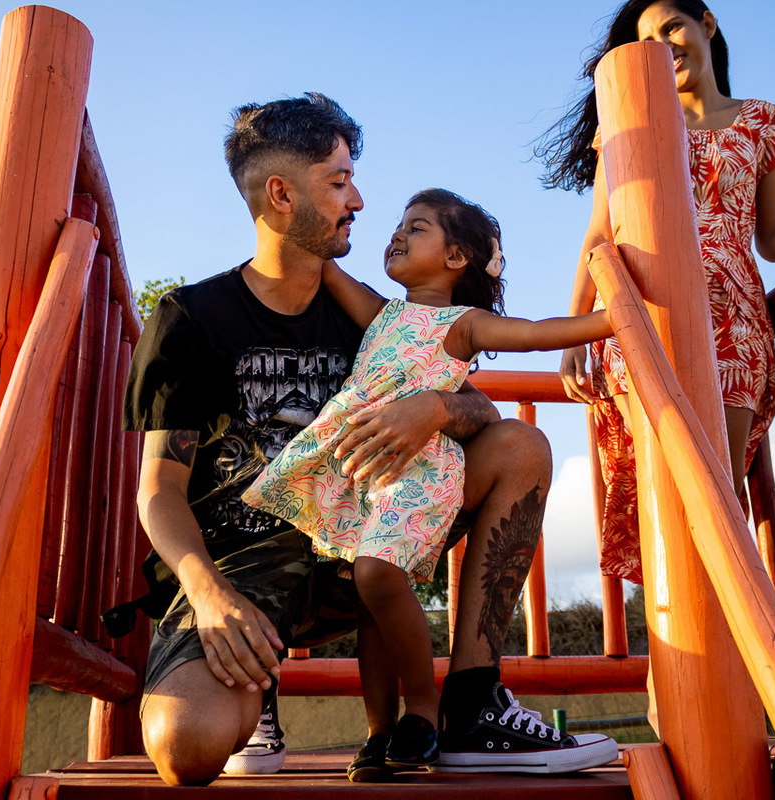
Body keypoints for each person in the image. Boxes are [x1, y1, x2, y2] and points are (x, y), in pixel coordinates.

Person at [124, 93, 617, 787]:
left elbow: (476, 402)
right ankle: (255, 680)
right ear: (281, 195)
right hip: (246, 568)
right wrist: (207, 594)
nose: (358, 200)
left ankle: (470, 704)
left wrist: (434, 407)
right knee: (188, 744)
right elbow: (159, 490)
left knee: (520, 446)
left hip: (363, 535)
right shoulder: (193, 318)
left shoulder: (376, 314)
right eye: (338, 182)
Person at [242, 188, 614, 781]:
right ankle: (379, 733)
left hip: (419, 472)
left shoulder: (461, 325)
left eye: (416, 228)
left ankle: (422, 706)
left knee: (376, 573)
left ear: (456, 258)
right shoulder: (383, 313)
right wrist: (291, 210)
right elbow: (325, 264)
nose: (397, 234)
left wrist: (613, 320)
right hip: (365, 474)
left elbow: (536, 332)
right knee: (372, 598)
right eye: (400, 225)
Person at [536, 0, 775, 584]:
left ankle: (725, 637)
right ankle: (675, 642)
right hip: (643, 313)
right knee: (667, 483)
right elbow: (600, 233)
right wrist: (573, 336)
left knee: (720, 491)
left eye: (673, 27)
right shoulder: (629, 119)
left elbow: (772, 236)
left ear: (706, 22)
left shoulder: (760, 120)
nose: (665, 46)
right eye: (648, 41)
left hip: (733, 317)